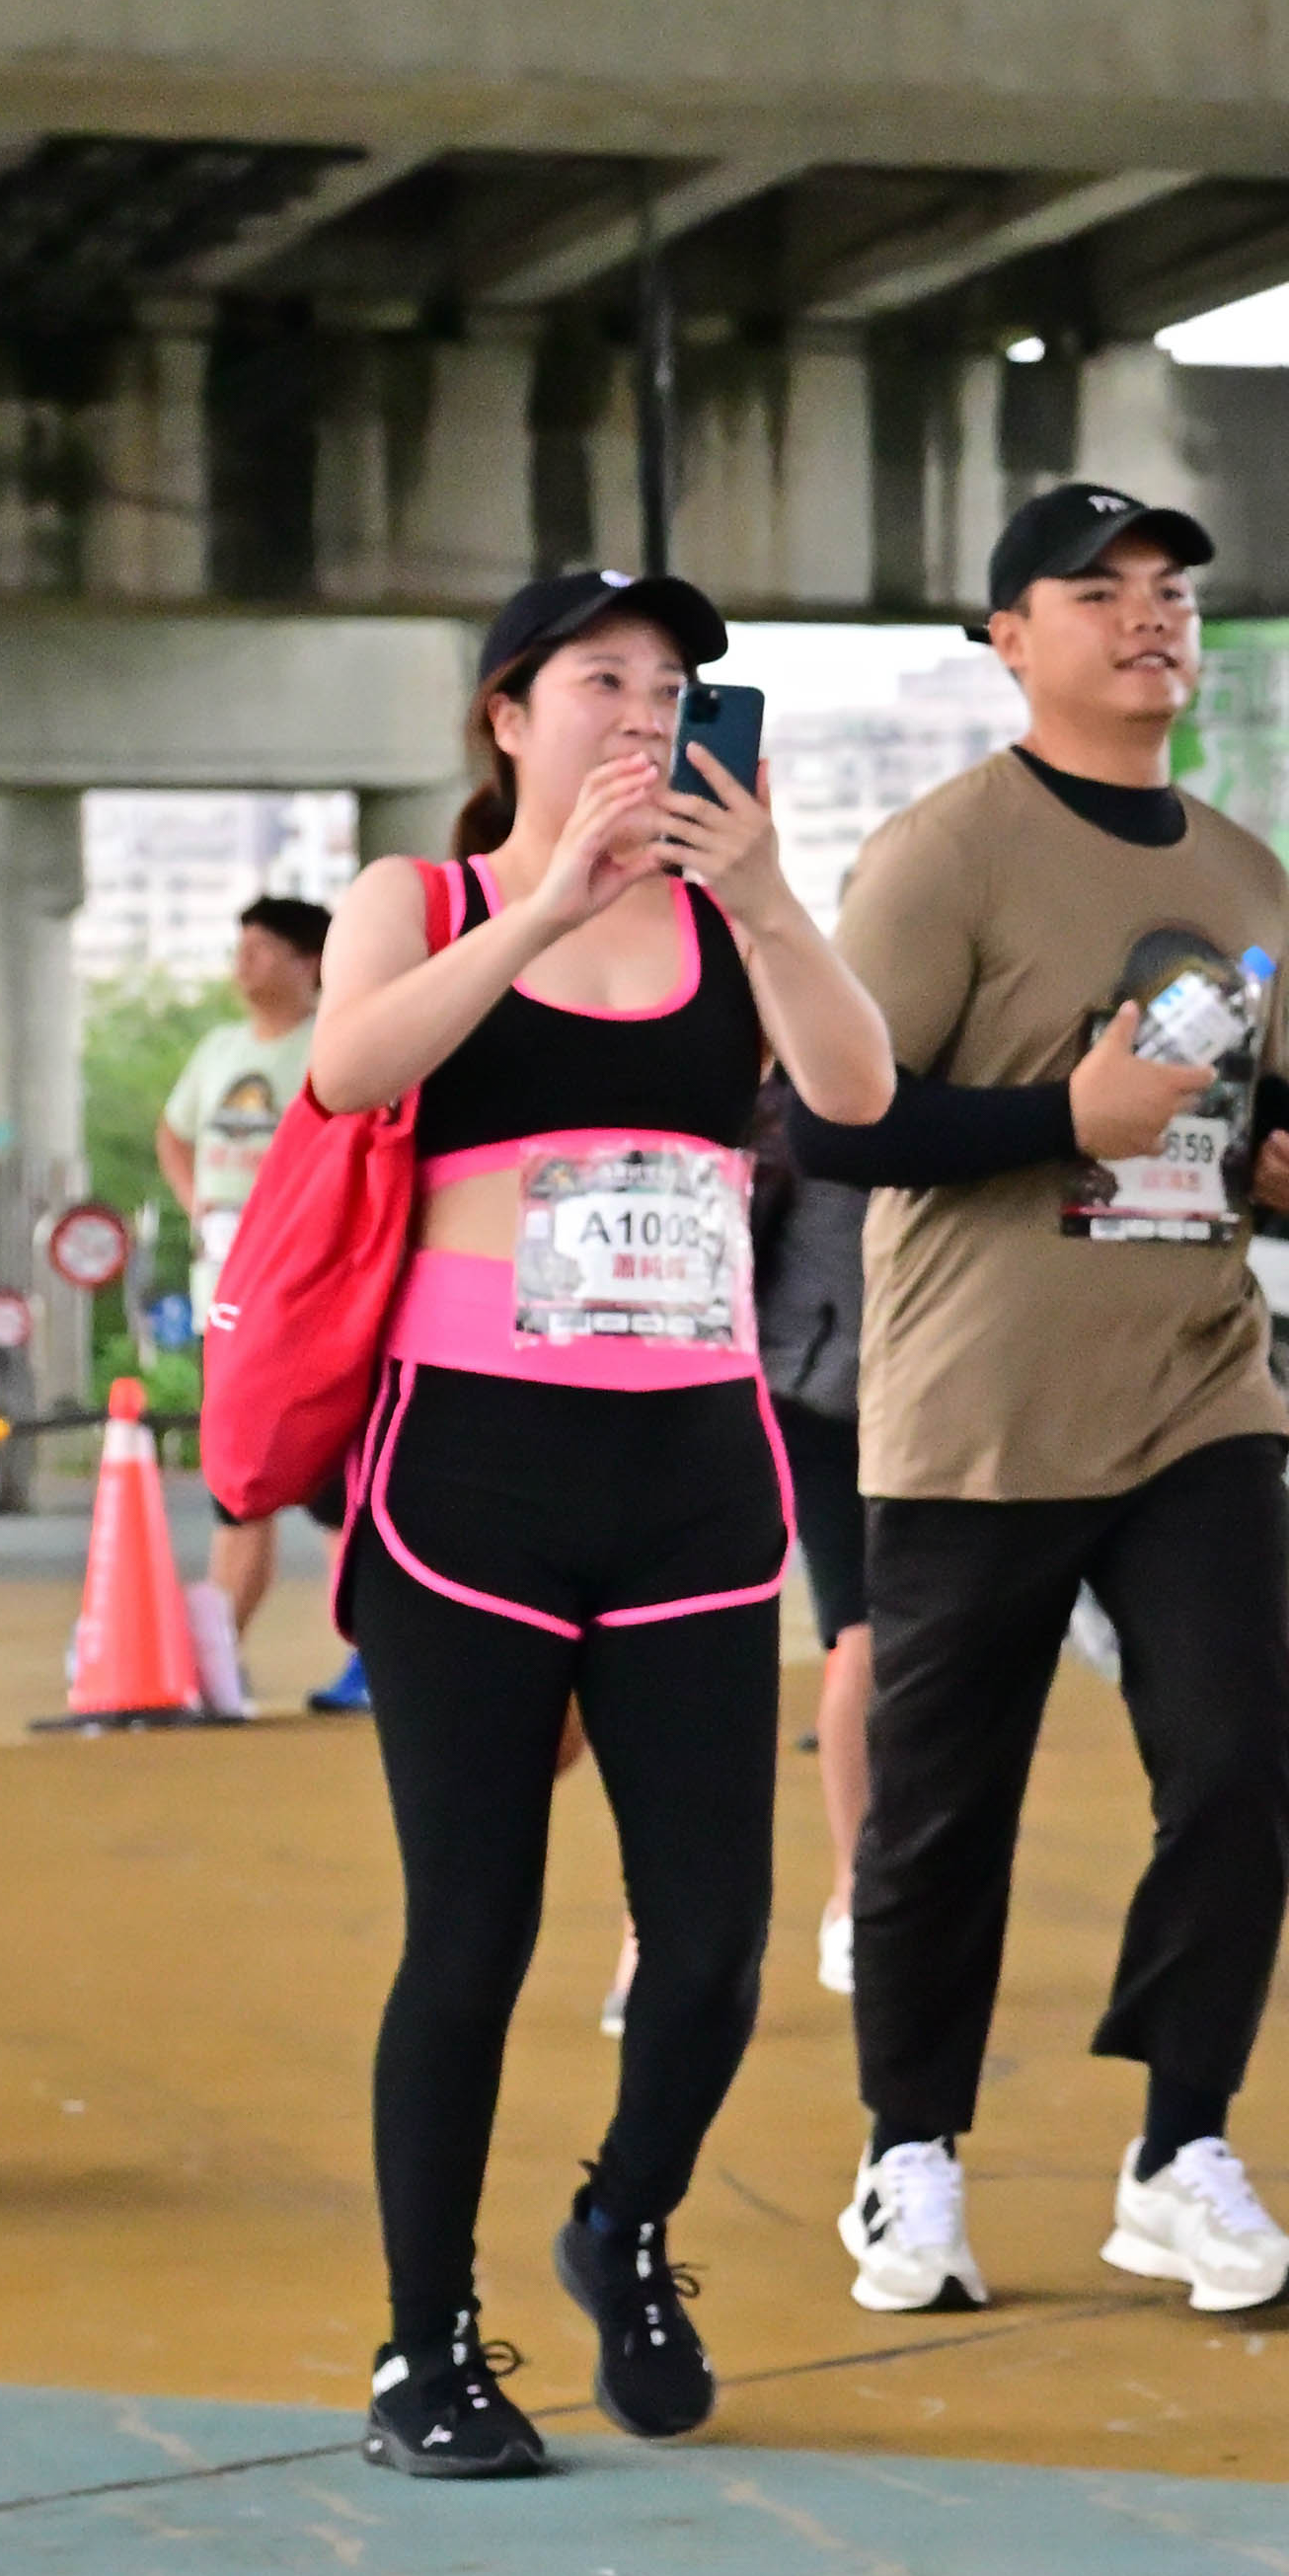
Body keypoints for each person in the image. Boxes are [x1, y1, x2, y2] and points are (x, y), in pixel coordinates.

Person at [301, 565, 896, 2477]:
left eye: (673, 685)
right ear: (506, 716)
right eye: (601, 680)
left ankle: (624, 2219)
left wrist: (773, 895)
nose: (645, 713)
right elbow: (346, 1068)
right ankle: (423, 2352)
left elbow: (859, 1093)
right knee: (469, 1931)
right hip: (469, 1474)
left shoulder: (728, 919)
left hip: (692, 1480)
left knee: (711, 1942)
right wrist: (547, 904)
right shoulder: (423, 899)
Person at [792, 483, 1289, 2325]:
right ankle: (909, 2158)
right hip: (981, 1402)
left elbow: (1210, 1109)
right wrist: (1061, 1117)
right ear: (1008, 638)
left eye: (1171, 589)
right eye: (1098, 589)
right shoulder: (942, 854)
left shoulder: (1246, 870)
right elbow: (834, 1124)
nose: (1148, 616)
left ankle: (1179, 2152)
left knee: (1243, 1760)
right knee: (941, 1813)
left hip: (1197, 1384)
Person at [163, 894, 347, 1715]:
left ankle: (373, 1657)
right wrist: (195, 1200)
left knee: (337, 1491)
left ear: (310, 962)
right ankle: (216, 1663)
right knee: (237, 1487)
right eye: (240, 947)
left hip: (308, 1301)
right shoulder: (220, 1049)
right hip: (226, 1300)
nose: (243, 964)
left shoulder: (335, 1042)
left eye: (262, 949)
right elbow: (173, 1131)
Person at [752, 1073, 882, 1986]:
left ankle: (869, 1889)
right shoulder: (794, 1107)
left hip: (915, 1397)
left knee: (889, 1643)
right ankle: (853, 1890)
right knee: (861, 1637)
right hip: (812, 1398)